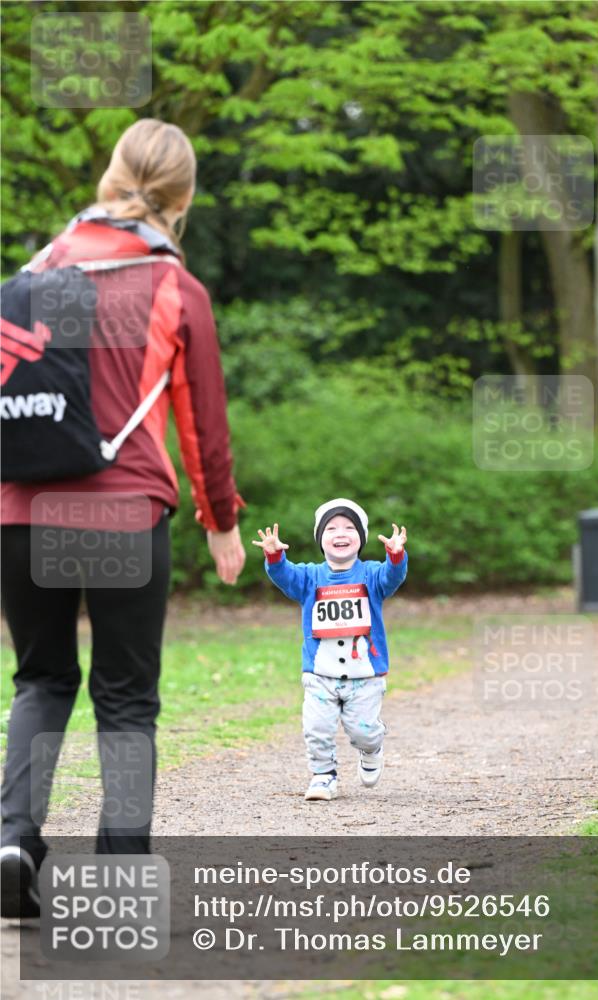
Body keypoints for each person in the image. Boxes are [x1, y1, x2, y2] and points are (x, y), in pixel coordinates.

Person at [0, 118, 246, 918]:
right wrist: (221, 522)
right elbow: (202, 422)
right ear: (183, 197)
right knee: (126, 697)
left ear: (110, 178)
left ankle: (13, 841)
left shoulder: (38, 271)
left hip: (22, 513)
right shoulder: (174, 287)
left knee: (41, 677)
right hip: (122, 513)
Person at [253, 498, 407, 801]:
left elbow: (393, 576)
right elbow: (285, 576)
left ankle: (372, 746)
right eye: (331, 528)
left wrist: (396, 555)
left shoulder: (372, 575)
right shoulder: (309, 577)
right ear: (320, 539)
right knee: (316, 728)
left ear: (360, 539)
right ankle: (323, 776)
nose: (340, 533)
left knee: (362, 730)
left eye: (349, 528)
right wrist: (274, 557)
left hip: (365, 674)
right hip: (320, 674)